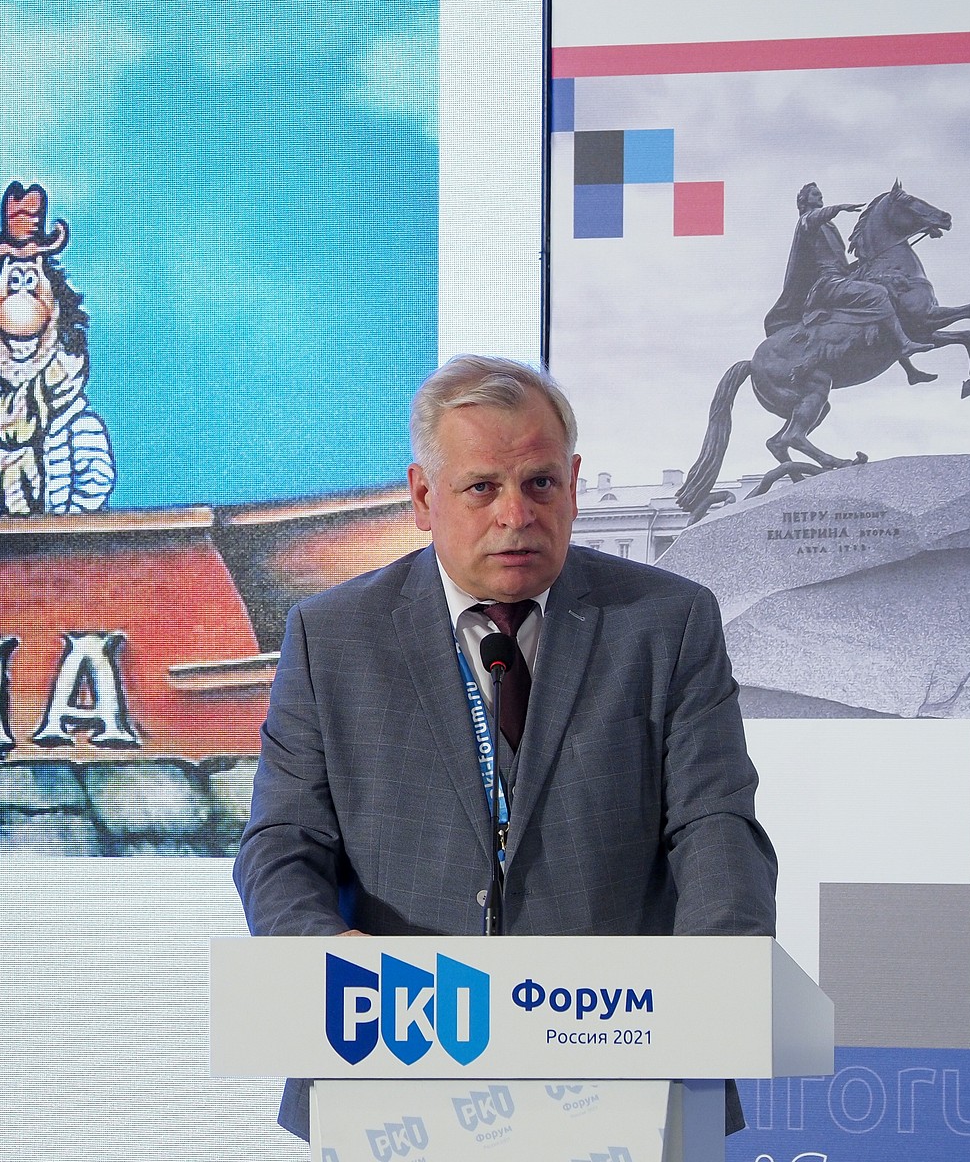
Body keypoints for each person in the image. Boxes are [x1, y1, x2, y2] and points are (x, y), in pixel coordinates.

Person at [233, 354, 778, 1140]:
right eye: (482, 487)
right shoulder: (333, 635)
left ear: (574, 483)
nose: (516, 514)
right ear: (424, 496)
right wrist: (327, 956)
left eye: (540, 483)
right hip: (394, 1070)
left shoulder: (668, 621)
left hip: (622, 1065)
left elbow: (715, 824)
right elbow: (282, 844)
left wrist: (714, 977)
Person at [764, 182, 931, 382]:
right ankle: (904, 343)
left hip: (840, 278)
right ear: (804, 201)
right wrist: (839, 208)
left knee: (888, 292)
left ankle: (910, 370)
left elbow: (839, 263)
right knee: (878, 294)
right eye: (815, 194)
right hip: (827, 284)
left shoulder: (826, 225)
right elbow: (815, 219)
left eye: (820, 194)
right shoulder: (806, 221)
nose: (820, 197)